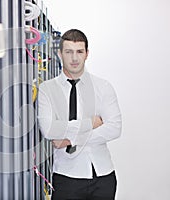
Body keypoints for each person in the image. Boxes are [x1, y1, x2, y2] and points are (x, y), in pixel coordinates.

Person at [38, 29, 122, 200]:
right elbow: (49, 130)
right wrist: (90, 123)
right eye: (69, 52)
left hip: (102, 176)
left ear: (87, 54)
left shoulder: (103, 86)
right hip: (66, 178)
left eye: (79, 52)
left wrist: (71, 139)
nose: (74, 58)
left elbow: (114, 128)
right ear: (60, 53)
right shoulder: (47, 89)